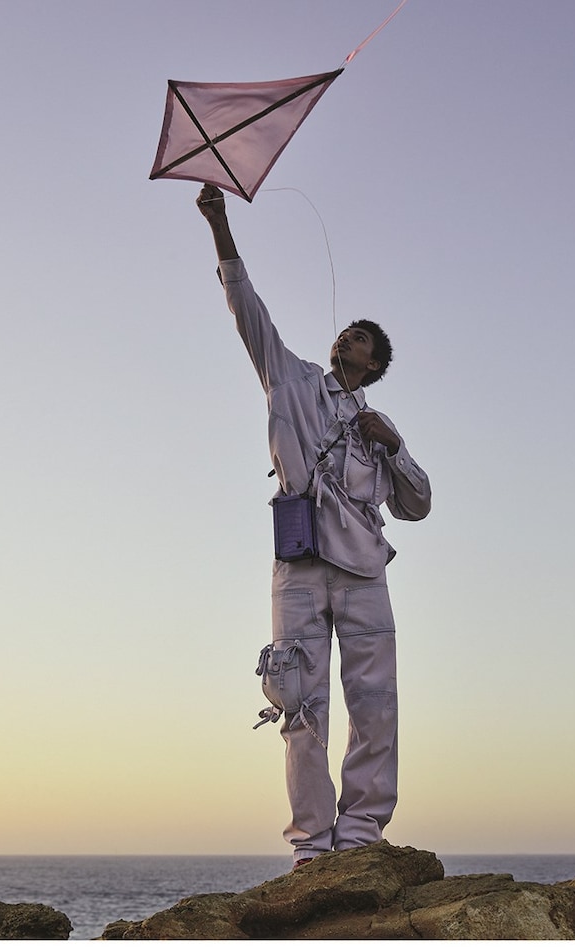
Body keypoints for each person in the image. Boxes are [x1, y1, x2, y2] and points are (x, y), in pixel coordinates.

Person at [196, 183, 431, 866]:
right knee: (298, 708)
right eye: (344, 331)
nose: (345, 337)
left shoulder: (378, 426)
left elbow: (417, 505)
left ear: (374, 365)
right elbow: (249, 312)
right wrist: (219, 226)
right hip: (297, 570)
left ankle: (360, 836)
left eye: (358, 338)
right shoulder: (293, 382)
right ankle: (311, 847)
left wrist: (391, 443)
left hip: (362, 573)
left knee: (375, 705)